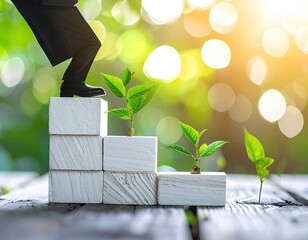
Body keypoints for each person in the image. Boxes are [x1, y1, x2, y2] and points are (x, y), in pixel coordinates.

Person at [11, 0, 106, 97]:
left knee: (90, 43)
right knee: (90, 43)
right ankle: (72, 84)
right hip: (51, 4)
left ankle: (72, 84)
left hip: (55, 4)